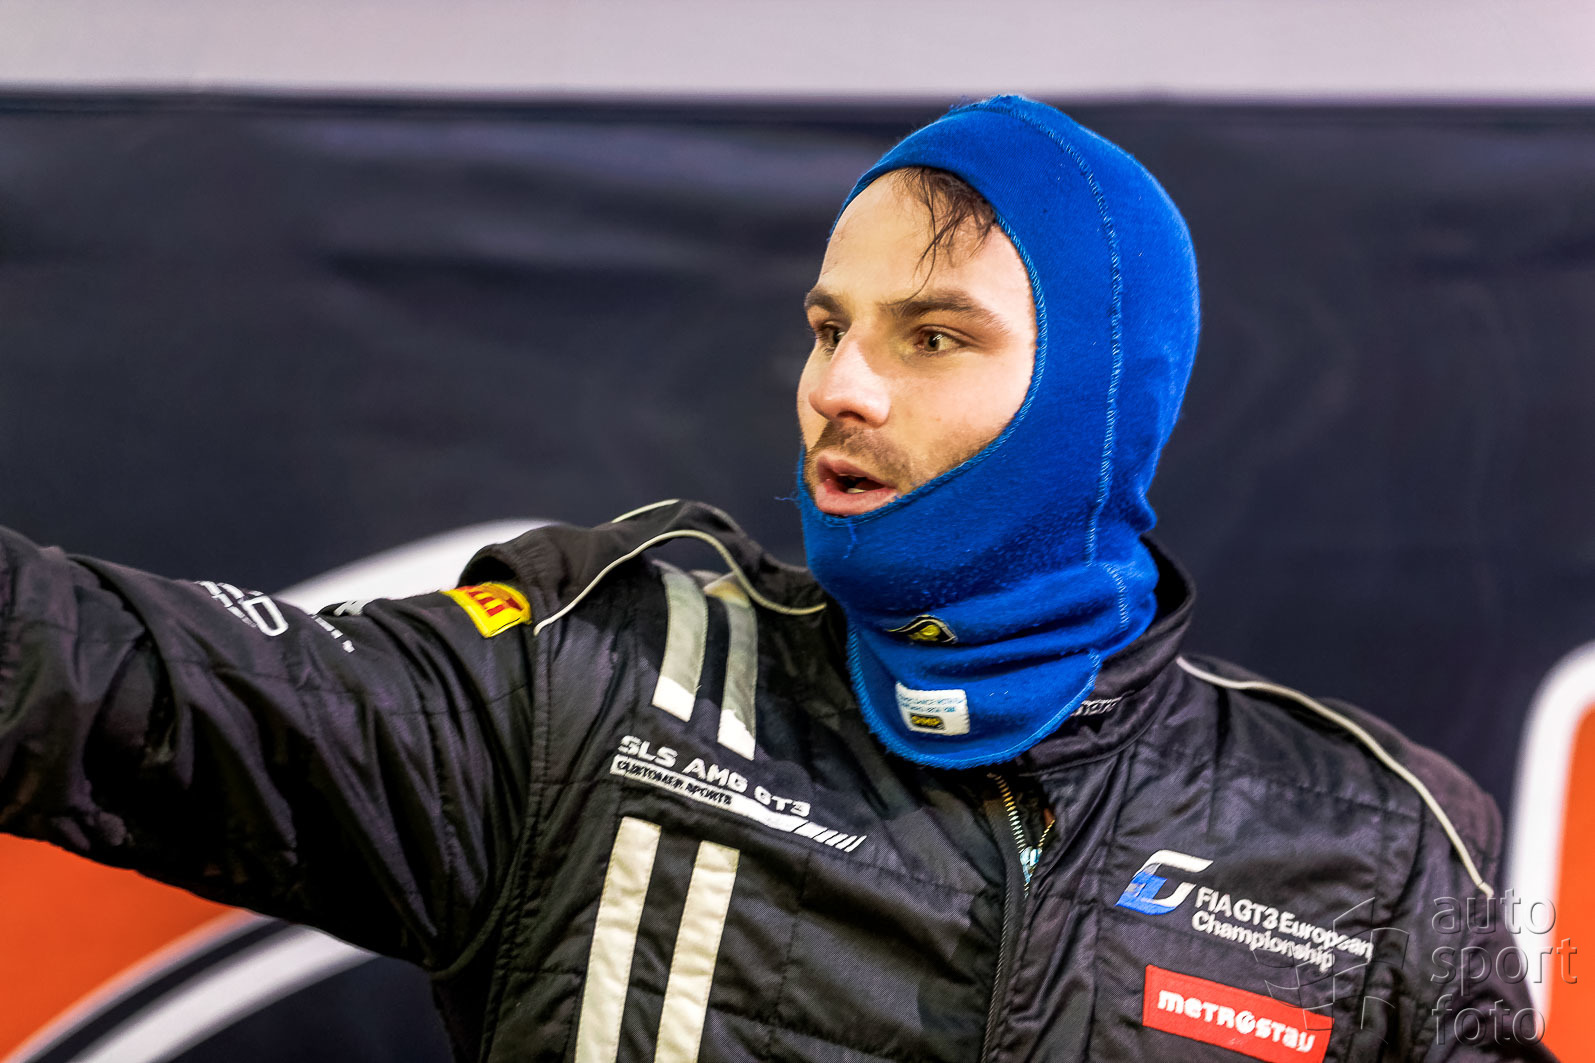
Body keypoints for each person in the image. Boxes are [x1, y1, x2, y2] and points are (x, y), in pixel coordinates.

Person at [0, 96, 1553, 1061]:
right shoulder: (606, 673)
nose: (840, 388)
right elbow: (121, 680)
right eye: (829, 326)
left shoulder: (1370, 848)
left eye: (931, 336)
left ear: (1101, 399)